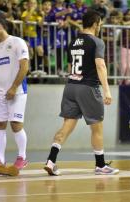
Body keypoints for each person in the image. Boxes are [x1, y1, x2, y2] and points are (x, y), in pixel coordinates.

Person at [43, 10, 119, 176]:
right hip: (88, 87)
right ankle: (100, 165)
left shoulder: (73, 42)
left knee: (67, 126)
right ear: (95, 23)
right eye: (99, 24)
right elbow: (100, 66)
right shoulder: (97, 42)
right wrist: (107, 90)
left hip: (71, 86)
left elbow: (70, 68)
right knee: (97, 128)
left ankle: (51, 160)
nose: (100, 27)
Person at [0, 17, 29, 170]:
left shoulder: (17, 42)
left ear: (0, 26)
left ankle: (22, 157)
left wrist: (14, 87)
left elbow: (24, 67)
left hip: (17, 91)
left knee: (15, 124)